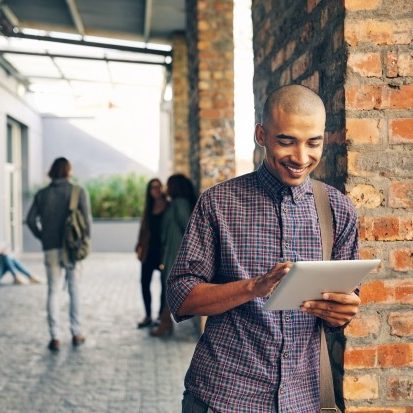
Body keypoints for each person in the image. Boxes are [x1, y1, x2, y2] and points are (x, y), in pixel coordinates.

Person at [167, 85, 361, 412]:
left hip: (302, 399)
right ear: (261, 134)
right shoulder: (218, 203)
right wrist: (254, 287)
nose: (301, 157)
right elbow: (180, 297)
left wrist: (342, 312)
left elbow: (339, 310)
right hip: (223, 397)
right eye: (286, 141)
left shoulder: (338, 210)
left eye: (313, 143)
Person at [26, 157, 91, 353]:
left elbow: (30, 220)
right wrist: (84, 245)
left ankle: (54, 337)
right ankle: (76, 332)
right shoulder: (78, 191)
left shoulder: (42, 194)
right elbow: (87, 222)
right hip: (72, 249)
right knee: (74, 290)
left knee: (53, 291)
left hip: (51, 247)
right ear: (68, 171)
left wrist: (43, 236)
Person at [150, 174, 197, 337]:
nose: (166, 188)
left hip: (176, 254)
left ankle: (165, 322)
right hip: (171, 252)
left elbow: (187, 229)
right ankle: (166, 322)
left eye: (169, 185)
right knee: (168, 289)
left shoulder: (179, 204)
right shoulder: (174, 203)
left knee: (170, 289)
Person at [135, 178, 168, 328]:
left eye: (158, 187)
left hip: (163, 251)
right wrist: (139, 244)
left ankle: (161, 316)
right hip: (149, 250)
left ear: (162, 188)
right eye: (152, 187)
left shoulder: (168, 206)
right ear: (149, 190)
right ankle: (148, 315)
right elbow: (143, 227)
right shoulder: (148, 207)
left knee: (164, 284)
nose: (156, 190)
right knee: (144, 282)